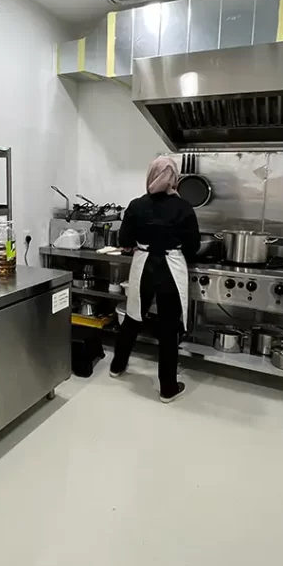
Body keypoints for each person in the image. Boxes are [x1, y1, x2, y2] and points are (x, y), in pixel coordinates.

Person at [109, 156, 200, 402]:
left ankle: (117, 366)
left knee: (132, 317)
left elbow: (125, 240)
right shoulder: (184, 208)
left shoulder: (136, 205)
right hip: (171, 268)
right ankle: (168, 388)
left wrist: (138, 244)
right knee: (168, 328)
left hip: (144, 267)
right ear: (175, 179)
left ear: (151, 175)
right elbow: (193, 246)